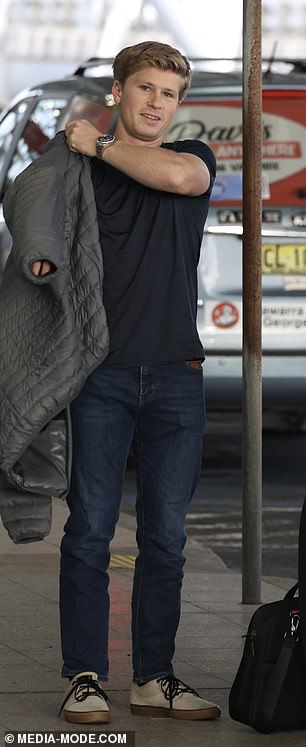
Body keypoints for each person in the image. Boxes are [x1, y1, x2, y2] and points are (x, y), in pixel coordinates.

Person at [51, 40, 219, 724]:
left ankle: (155, 676)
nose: (156, 102)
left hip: (177, 373)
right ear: (119, 91)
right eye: (144, 88)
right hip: (98, 373)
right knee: (90, 530)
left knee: (165, 537)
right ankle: (84, 675)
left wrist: (96, 143)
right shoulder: (77, 170)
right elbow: (30, 216)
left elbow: (181, 181)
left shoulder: (194, 160)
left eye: (168, 94)